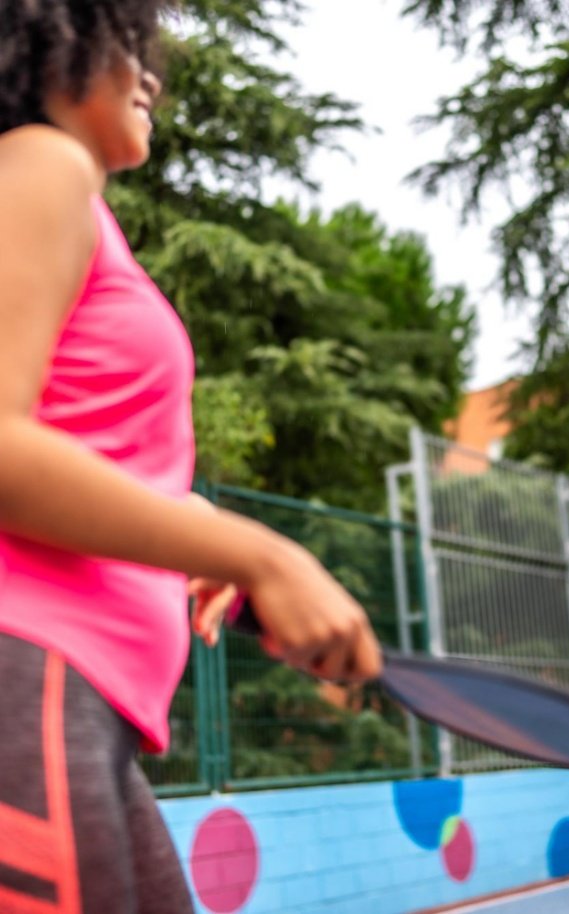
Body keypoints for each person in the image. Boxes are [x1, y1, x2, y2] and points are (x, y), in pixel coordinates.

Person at [0, 3, 382, 912]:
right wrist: (260, 553)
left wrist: (187, 532)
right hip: (30, 669)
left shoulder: (70, 205)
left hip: (75, 694)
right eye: (126, 42)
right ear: (44, 41)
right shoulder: (38, 163)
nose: (150, 73)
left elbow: (68, 435)